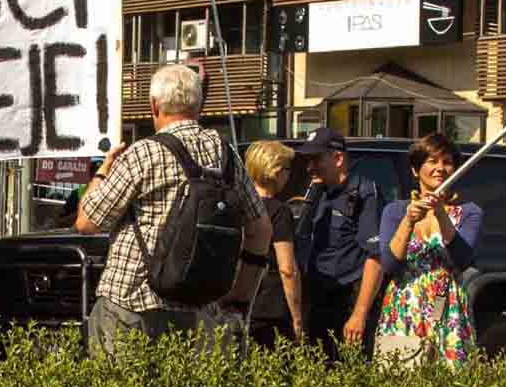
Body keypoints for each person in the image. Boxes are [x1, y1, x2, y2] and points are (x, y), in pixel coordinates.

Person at [74, 63, 270, 352]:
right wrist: (239, 297)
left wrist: (104, 171)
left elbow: (87, 222)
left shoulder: (144, 152)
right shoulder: (226, 156)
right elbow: (261, 230)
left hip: (132, 302)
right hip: (201, 304)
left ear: (154, 105)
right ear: (199, 104)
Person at [349, 133, 483, 367]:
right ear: (415, 169)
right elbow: (390, 265)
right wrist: (408, 222)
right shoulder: (395, 211)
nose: (440, 168)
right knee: (400, 380)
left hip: (447, 308)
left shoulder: (469, 212)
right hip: (404, 307)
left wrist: (441, 212)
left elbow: (462, 258)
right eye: (432, 161)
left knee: (449, 384)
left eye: (447, 162)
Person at [291, 127, 386, 358]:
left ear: (338, 158)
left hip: (347, 301)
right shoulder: (317, 193)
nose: (310, 167)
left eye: (316, 159)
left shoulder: (364, 193)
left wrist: (359, 313)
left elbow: (375, 257)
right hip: (317, 300)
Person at [242, 141, 308, 349]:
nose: (289, 176)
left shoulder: (238, 205)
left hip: (239, 302)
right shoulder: (279, 211)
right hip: (270, 310)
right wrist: (297, 318)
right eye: (287, 169)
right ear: (275, 171)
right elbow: (287, 268)